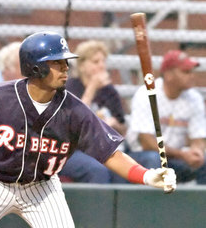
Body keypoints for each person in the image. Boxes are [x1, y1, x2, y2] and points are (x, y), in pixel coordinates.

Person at [0, 31, 176, 228]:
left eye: (65, 62)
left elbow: (110, 153)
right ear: (35, 68)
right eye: (57, 62)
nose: (66, 68)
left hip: (42, 188)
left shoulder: (74, 109)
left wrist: (145, 175)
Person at [59, 40, 160, 184]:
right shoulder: (70, 87)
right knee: (98, 169)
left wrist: (113, 125)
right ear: (82, 66)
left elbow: (123, 127)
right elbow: (72, 123)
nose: (101, 65)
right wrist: (92, 88)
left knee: (147, 160)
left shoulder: (109, 91)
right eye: (95, 62)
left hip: (107, 148)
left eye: (103, 61)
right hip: (76, 150)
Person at [126, 49, 206, 184]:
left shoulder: (194, 98)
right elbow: (147, 142)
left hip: (176, 157)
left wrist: (196, 151)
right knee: (153, 159)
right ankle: (150, 204)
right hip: (140, 156)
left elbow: (198, 137)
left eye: (192, 72)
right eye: (186, 72)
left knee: (203, 159)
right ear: (168, 75)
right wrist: (182, 155)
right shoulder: (147, 94)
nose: (192, 76)